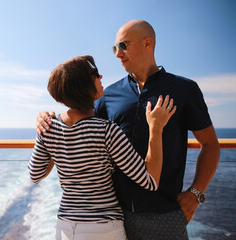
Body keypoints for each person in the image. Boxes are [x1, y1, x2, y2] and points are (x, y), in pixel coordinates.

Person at [36, 20, 220, 239]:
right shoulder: (108, 95)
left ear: (147, 44)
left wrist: (196, 193)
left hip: (165, 215)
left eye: (122, 46)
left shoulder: (184, 89)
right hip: (114, 219)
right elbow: (75, 132)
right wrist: (45, 119)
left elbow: (210, 144)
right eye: (115, 48)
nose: (117, 54)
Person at [29, 55, 176, 240]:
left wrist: (55, 143)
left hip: (65, 227)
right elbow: (150, 180)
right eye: (95, 74)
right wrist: (156, 128)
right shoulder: (106, 131)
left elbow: (35, 175)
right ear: (85, 85)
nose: (101, 77)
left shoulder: (48, 127)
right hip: (103, 228)